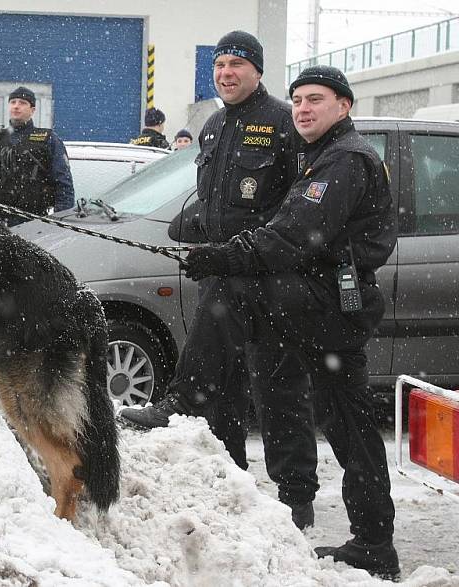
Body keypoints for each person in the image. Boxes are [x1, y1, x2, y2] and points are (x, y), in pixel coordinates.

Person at [165, 66, 399, 578]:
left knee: (231, 291)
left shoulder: (345, 160)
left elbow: (293, 235)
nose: (303, 109)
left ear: (345, 106)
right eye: (297, 101)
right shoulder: (316, 155)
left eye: (316, 99)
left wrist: (222, 256)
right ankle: (374, 542)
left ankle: (187, 396)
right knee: (346, 420)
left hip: (330, 304)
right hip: (320, 301)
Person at [120, 30, 319, 531]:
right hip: (224, 274)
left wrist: (246, 250)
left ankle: (296, 502)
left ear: (257, 70)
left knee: (279, 391)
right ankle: (232, 486)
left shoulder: (283, 123)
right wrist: (189, 229)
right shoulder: (212, 127)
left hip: (270, 278)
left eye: (236, 64)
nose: (226, 73)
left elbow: (292, 210)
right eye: (219, 65)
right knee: (224, 391)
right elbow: (210, 201)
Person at [0, 86, 75, 227]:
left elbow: (64, 185)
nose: (16, 106)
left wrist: (60, 223)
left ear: (32, 110)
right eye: (13, 102)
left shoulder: (47, 140)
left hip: (34, 223)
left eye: (22, 102)